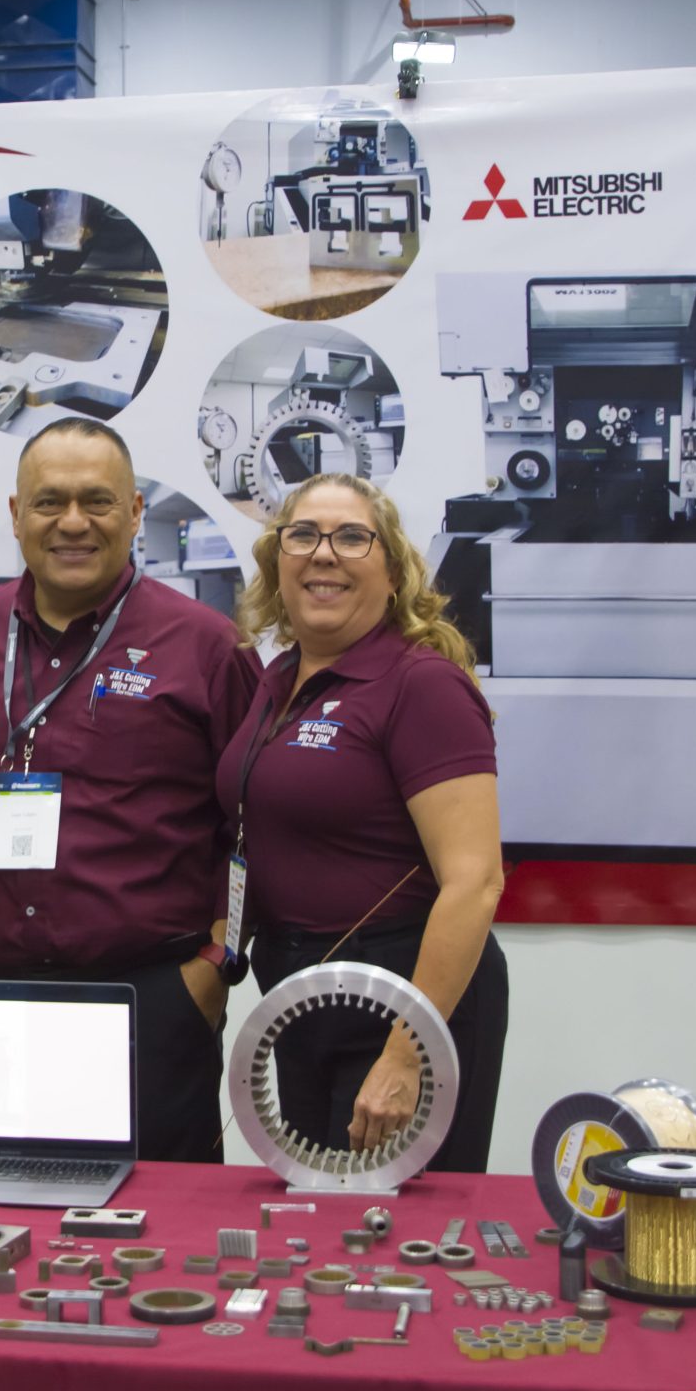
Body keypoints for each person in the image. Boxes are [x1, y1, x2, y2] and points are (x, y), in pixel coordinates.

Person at [0, 419, 263, 1162]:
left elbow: (254, 824)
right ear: (16, 515)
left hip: (152, 999)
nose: (72, 522)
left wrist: (213, 970)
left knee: (161, 1224)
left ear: (135, 512)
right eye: (49, 501)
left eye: (97, 501)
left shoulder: (207, 645)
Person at [217, 472, 507, 1171]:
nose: (324, 553)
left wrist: (408, 1052)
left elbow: (475, 882)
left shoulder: (421, 683)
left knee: (394, 1225)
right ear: (277, 563)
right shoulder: (279, 679)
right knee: (318, 1217)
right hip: (301, 999)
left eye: (352, 537)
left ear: (394, 571)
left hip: (401, 1001)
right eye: (303, 536)